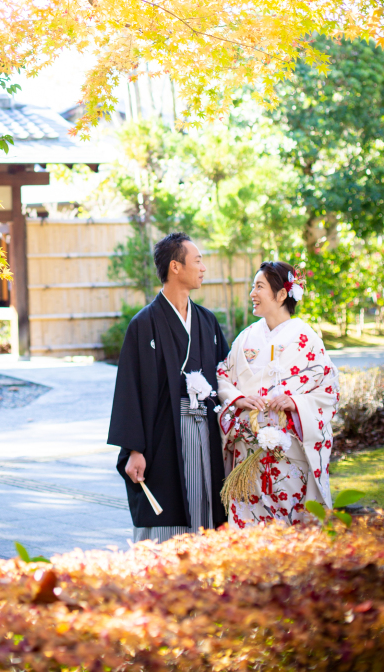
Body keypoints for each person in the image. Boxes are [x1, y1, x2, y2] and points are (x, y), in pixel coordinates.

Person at [107, 232, 230, 542]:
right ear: (176, 267)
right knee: (168, 509)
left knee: (206, 506)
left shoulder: (207, 321)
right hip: (164, 436)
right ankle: (164, 577)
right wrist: (135, 449)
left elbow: (226, 376)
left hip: (205, 432)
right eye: (198, 260)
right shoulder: (144, 324)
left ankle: (203, 575)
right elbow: (130, 390)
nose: (203, 268)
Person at [216, 261, 340, 530]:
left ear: (282, 294)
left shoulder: (307, 339)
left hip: (289, 455)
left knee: (290, 531)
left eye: (259, 286)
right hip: (248, 455)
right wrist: (238, 399)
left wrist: (295, 402)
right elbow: (223, 374)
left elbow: (329, 390)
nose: (252, 293)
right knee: (248, 533)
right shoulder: (245, 338)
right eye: (253, 287)